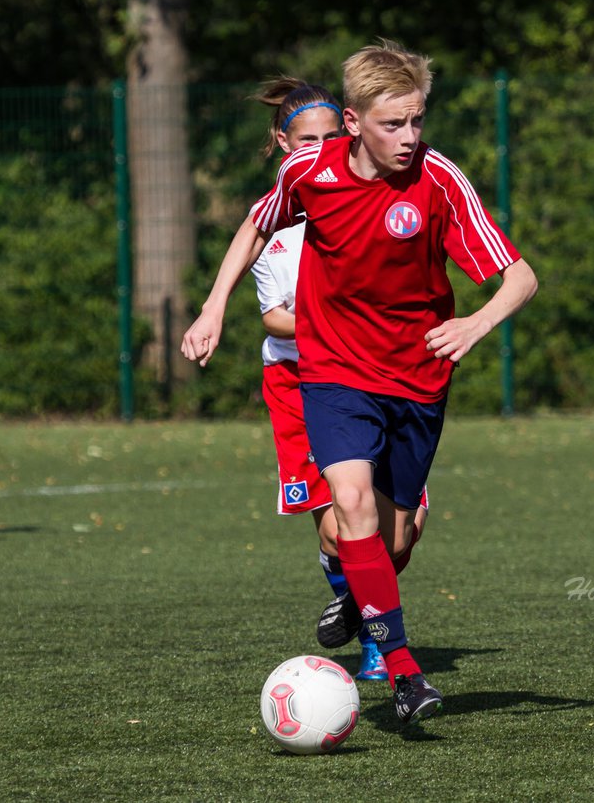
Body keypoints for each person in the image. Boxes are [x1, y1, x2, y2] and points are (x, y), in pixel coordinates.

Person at [183, 41, 538, 726]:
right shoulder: (309, 171)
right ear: (353, 121)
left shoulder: (439, 181)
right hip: (334, 372)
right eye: (393, 124)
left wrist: (475, 324)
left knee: (394, 540)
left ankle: (359, 596)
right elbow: (256, 226)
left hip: (417, 379)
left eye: (416, 122)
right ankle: (405, 677)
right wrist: (214, 305)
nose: (409, 138)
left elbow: (519, 277)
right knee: (352, 508)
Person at [250, 77, 430, 682]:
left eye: (331, 135)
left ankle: (359, 601)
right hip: (302, 382)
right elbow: (275, 315)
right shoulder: (283, 217)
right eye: (308, 139)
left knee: (401, 532)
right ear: (283, 142)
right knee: (339, 525)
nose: (322, 147)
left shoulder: (372, 194)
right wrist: (331, 321)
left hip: (376, 376)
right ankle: (382, 641)